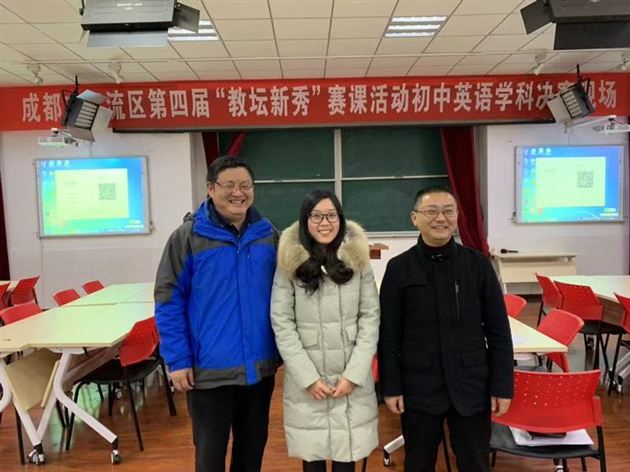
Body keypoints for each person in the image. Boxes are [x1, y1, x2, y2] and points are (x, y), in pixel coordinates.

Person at [154, 155, 278, 472]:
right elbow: (168, 301)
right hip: (208, 371)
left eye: (245, 186)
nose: (239, 193)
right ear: (210, 189)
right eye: (230, 185)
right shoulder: (188, 237)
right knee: (210, 459)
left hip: (259, 368)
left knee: (251, 455)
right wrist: (178, 359)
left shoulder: (267, 234)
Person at [378, 187, 514, 472]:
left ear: (457, 216)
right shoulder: (399, 268)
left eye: (448, 211)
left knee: (476, 464)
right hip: (419, 388)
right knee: (418, 464)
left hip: (471, 386)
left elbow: (499, 331)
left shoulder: (477, 266)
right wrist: (391, 386)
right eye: (431, 211)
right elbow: (388, 335)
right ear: (414, 218)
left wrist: (502, 386)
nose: (441, 218)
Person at [270, 189, 380, 472]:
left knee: (347, 457)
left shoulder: (358, 259)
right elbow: (282, 322)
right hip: (309, 381)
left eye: (331, 215)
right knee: (313, 457)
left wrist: (354, 375)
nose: (325, 223)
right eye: (316, 216)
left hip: (350, 377)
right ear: (305, 220)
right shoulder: (289, 261)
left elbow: (370, 317)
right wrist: (307, 378)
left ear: (340, 219)